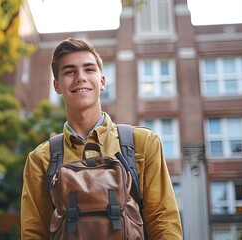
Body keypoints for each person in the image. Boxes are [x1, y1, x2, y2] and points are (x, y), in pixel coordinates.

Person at [20, 37, 183, 239]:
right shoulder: (40, 159)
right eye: (70, 72)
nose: (80, 77)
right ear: (57, 86)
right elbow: (34, 234)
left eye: (89, 69)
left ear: (102, 81)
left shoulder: (142, 143)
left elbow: (163, 222)